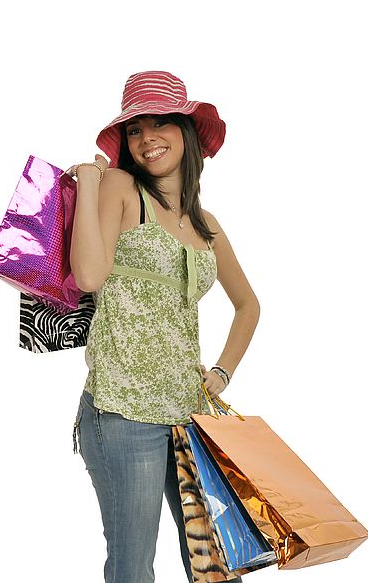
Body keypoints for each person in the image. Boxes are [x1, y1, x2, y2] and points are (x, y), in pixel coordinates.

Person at [69, 70, 260, 583]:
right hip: (123, 413)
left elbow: (248, 306)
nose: (147, 138)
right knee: (133, 569)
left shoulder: (206, 223)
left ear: (187, 132)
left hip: (188, 412)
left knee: (219, 564)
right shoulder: (121, 187)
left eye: (160, 124)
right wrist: (89, 183)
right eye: (135, 129)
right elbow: (88, 275)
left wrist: (220, 373)